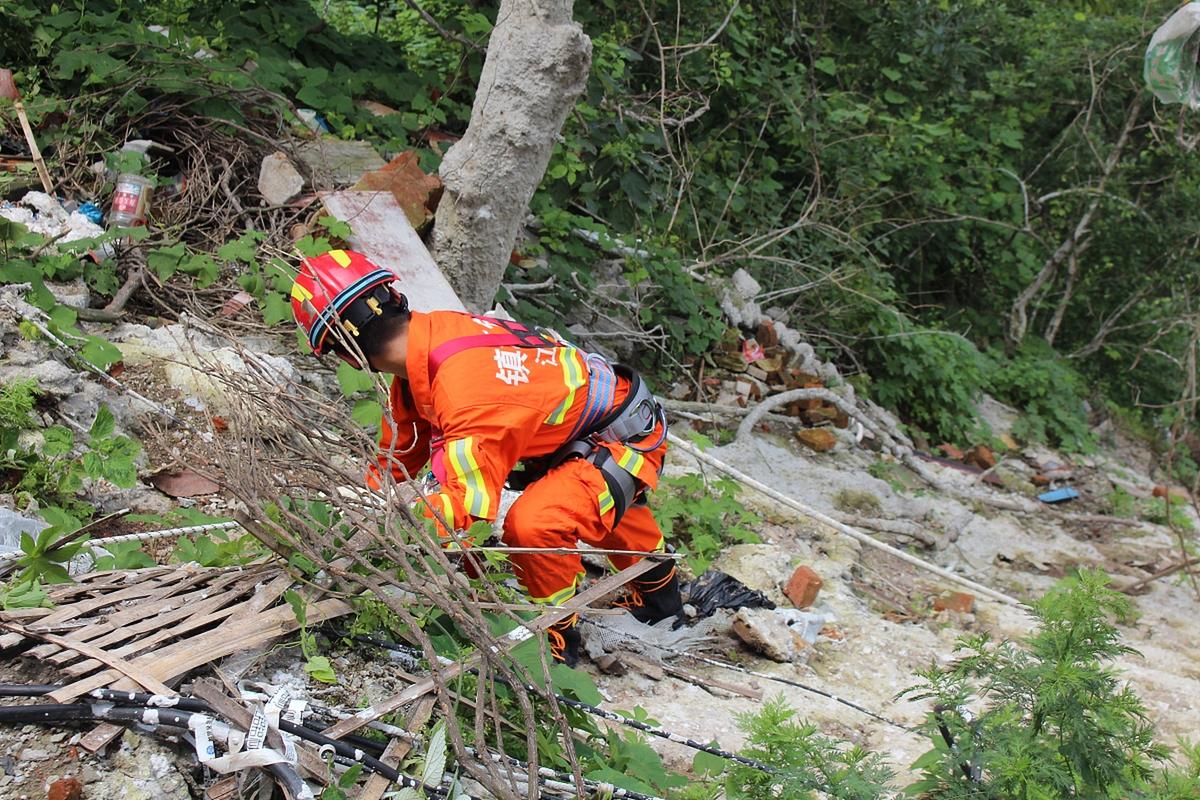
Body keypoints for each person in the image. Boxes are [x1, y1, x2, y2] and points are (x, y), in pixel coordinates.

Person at [290, 249, 682, 665]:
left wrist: (389, 526)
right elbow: (403, 446)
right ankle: (663, 598)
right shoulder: (433, 342)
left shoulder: (464, 392)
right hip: (587, 425)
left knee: (535, 523)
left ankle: (555, 638)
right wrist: (368, 499)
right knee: (577, 499)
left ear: (348, 354)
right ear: (394, 298)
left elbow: (469, 508)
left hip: (620, 437)